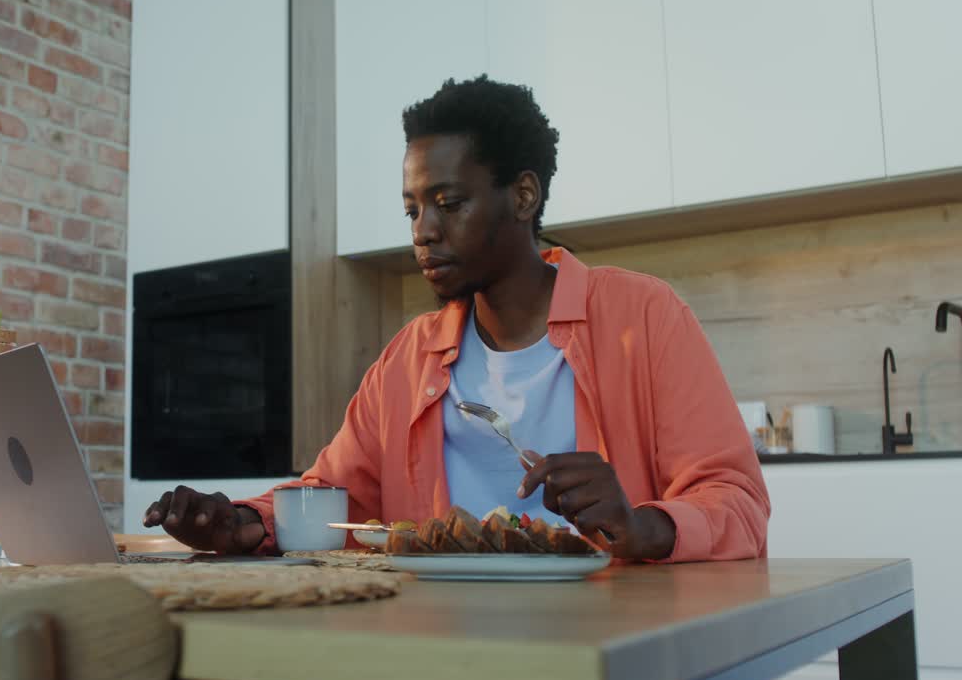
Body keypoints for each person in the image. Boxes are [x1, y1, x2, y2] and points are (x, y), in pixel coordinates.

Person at [143, 76, 770, 562]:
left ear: (523, 196)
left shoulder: (644, 318)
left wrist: (641, 524)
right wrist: (242, 523)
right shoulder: (411, 356)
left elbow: (738, 505)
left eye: (449, 203)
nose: (425, 232)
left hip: (614, 637)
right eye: (412, 210)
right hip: (445, 644)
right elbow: (334, 497)